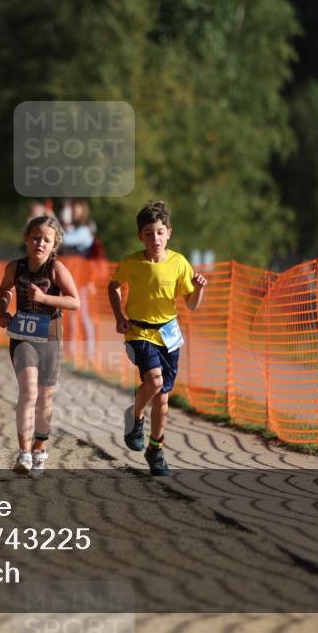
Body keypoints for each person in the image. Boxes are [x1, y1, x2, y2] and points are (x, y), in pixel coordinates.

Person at [107, 201, 206, 476]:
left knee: (162, 398)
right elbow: (114, 286)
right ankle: (135, 416)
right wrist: (119, 315)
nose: (155, 239)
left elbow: (192, 304)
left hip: (168, 333)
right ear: (140, 236)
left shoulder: (179, 263)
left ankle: (155, 449)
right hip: (139, 331)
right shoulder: (131, 263)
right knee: (154, 381)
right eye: (149, 234)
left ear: (169, 233)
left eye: (160, 232)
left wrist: (198, 289)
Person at [0, 215, 80, 474]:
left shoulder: (56, 269)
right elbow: (5, 289)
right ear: (26, 239)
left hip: (50, 338)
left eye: (46, 240)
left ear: (55, 244)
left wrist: (45, 298)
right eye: (35, 238)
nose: (40, 243)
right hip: (23, 338)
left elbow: (75, 301)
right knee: (28, 391)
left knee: (45, 397)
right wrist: (2, 312)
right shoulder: (15, 267)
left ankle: (40, 447)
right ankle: (23, 452)